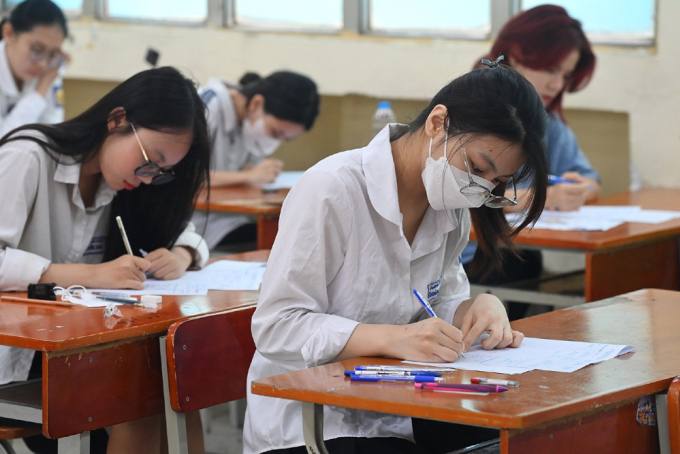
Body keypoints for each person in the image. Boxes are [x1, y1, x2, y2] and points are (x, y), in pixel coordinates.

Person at [243, 60, 549, 454]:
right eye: (477, 168)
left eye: (496, 184)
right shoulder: (332, 188)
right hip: (311, 420)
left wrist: (477, 308)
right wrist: (395, 338)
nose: (479, 189)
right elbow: (276, 327)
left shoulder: (448, 201)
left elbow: (437, 301)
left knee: (524, 439)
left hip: (398, 405)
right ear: (438, 123)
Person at [0, 66, 210, 454]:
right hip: (19, 353)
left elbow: (186, 230)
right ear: (118, 120)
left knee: (176, 387)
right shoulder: (28, 158)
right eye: (152, 160)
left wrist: (183, 253)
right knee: (141, 392)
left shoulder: (122, 183)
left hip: (78, 346)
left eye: (163, 173)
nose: (150, 178)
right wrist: (91, 275)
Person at [461, 5, 601, 313]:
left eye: (565, 75)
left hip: (512, 253)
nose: (557, 85)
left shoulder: (547, 121)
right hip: (462, 258)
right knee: (518, 263)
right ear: (514, 54)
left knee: (525, 261)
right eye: (551, 70)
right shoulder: (469, 109)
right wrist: (541, 197)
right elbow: (461, 196)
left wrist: (581, 189)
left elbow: (590, 179)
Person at [191, 70, 320, 249]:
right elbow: (182, 177)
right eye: (275, 133)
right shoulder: (206, 107)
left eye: (286, 139)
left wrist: (254, 173)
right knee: (281, 244)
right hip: (191, 225)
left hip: (231, 218)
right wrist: (249, 176)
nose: (276, 142)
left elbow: (247, 169)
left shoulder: (249, 126)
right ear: (257, 104)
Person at [0, 0, 69, 137]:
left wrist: (47, 81)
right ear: (8, 33)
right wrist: (40, 91)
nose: (43, 64)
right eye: (37, 50)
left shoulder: (51, 69)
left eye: (52, 54)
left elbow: (52, 131)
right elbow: (4, 140)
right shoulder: (47, 73)